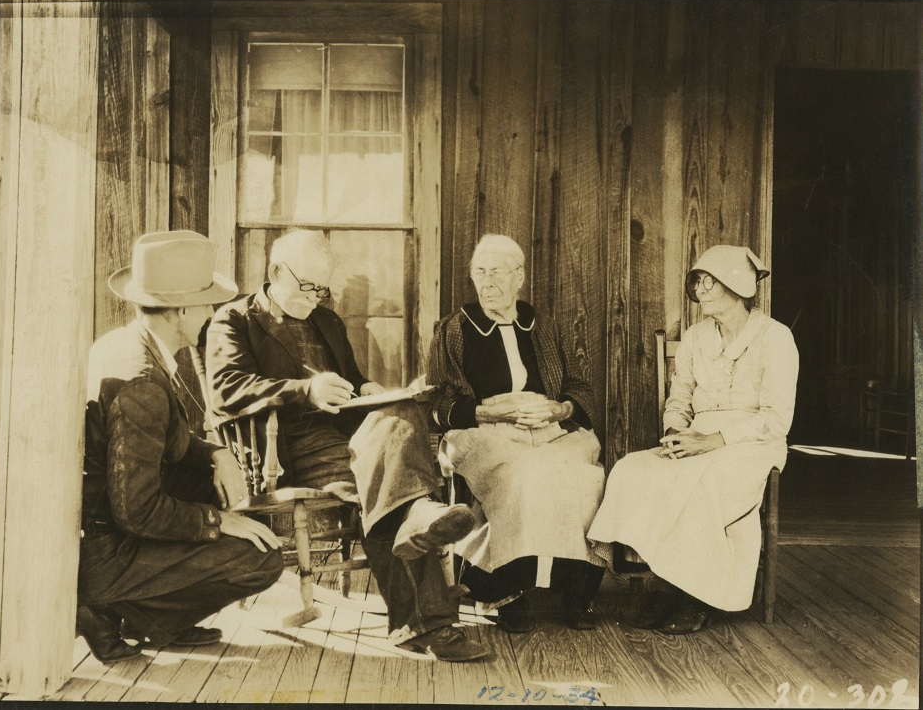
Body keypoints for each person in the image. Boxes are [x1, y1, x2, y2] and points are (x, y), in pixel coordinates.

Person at [205, 229, 487, 663]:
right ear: (275, 271)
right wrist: (307, 390)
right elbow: (228, 390)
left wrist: (369, 389)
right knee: (395, 490)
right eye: (307, 286)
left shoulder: (327, 321)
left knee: (402, 414)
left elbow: (351, 382)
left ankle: (420, 538)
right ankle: (430, 617)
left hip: (348, 436)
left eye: (323, 288)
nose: (316, 297)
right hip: (286, 446)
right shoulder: (234, 320)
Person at [77, 231, 284, 665]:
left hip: (105, 529)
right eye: (207, 302)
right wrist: (217, 521)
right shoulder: (143, 383)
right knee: (261, 559)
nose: (212, 312)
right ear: (184, 309)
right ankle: (114, 606)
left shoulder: (125, 345)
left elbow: (163, 437)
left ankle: (145, 617)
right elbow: (137, 510)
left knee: (217, 484)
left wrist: (215, 454)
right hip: (107, 551)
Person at [588, 244, 799, 633]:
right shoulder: (696, 337)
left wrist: (715, 440)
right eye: (697, 282)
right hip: (696, 437)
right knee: (633, 469)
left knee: (703, 483)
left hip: (752, 444)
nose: (699, 290)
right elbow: (679, 398)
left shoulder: (776, 338)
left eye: (708, 282)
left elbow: (776, 419)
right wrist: (674, 434)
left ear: (737, 286)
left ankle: (696, 594)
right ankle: (667, 581)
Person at [426, 234, 606, 633]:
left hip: (549, 428)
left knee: (584, 477)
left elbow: (580, 387)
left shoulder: (544, 325)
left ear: (519, 277)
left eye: (496, 273)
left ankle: (577, 590)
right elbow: (435, 401)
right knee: (523, 474)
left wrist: (560, 408)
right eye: (479, 272)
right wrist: (484, 412)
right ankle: (505, 590)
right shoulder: (453, 329)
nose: (486, 283)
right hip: (484, 432)